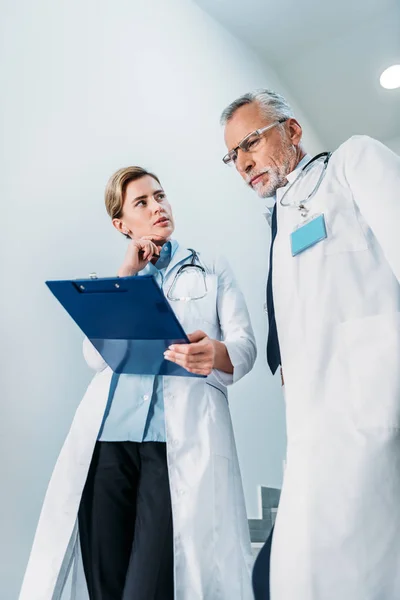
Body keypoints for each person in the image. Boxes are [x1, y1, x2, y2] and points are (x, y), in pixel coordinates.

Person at [19, 166, 257, 600]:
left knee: (149, 585)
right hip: (108, 445)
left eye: (160, 196)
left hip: (174, 446)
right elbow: (95, 358)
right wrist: (126, 274)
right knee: (105, 581)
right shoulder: (118, 282)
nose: (158, 207)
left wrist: (214, 353)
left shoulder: (211, 267)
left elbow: (244, 347)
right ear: (121, 224)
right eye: (142, 203)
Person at [220, 89, 400, 600]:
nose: (243, 162)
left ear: (292, 131)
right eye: (233, 155)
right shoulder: (281, 223)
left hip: (373, 407)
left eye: (251, 142)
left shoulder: (351, 165)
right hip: (313, 425)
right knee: (285, 578)